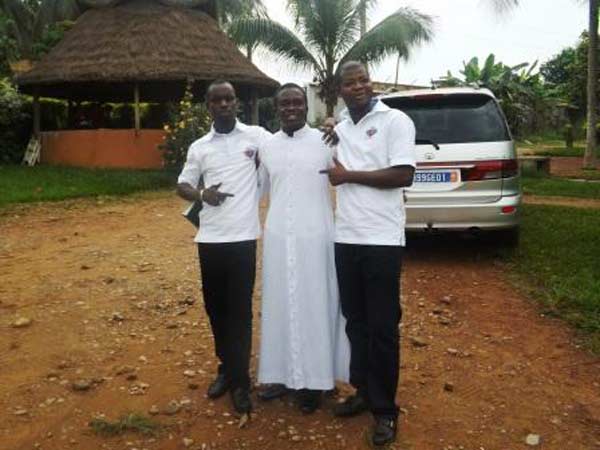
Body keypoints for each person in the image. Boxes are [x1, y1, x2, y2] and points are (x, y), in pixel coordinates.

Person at [321, 61, 416, 446]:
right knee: (355, 322)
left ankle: (385, 410)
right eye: (350, 82)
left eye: (363, 80)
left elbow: (403, 175)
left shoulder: (396, 121)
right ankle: (363, 391)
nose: (359, 86)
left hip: (382, 240)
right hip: (346, 238)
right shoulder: (341, 128)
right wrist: (331, 125)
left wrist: (349, 176)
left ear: (371, 83)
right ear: (340, 89)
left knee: (382, 327)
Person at [176, 80, 270, 415]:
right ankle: (226, 369)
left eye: (229, 98)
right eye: (217, 100)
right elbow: (182, 185)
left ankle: (240, 382)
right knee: (215, 309)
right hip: (210, 240)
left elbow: (289, 143)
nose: (224, 104)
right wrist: (202, 194)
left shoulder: (256, 137)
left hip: (243, 239)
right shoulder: (200, 147)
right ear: (208, 106)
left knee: (240, 312)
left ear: (236, 102)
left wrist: (331, 126)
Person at [257, 83, 349, 413]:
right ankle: (283, 374)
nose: (292, 108)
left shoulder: (326, 142)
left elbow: (351, 165)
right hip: (279, 237)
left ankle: (315, 380)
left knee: (316, 305)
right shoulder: (267, 146)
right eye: (285, 104)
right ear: (276, 108)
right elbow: (256, 189)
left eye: (297, 102)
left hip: (316, 237)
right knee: (280, 304)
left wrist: (338, 126)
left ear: (306, 107)